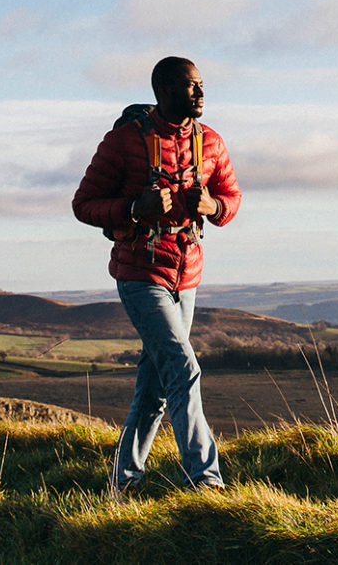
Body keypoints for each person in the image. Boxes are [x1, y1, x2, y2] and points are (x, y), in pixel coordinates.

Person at [72, 56, 241, 491]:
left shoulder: (212, 143)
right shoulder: (122, 143)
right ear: (164, 91)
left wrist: (214, 207)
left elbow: (230, 195)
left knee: (155, 391)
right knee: (183, 369)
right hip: (139, 272)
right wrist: (133, 209)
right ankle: (204, 479)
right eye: (192, 87)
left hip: (187, 275)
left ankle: (123, 481)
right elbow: (84, 204)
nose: (202, 94)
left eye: (202, 85)